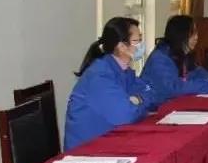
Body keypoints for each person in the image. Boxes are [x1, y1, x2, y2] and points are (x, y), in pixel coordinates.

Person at [64, 17, 152, 150]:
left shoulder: (123, 69)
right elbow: (126, 115)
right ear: (121, 46)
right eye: (137, 41)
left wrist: (138, 100)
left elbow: (151, 94)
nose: (141, 44)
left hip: (111, 141)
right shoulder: (100, 76)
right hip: (88, 152)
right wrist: (138, 102)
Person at [141, 15, 208, 110]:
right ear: (180, 35)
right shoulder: (160, 58)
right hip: (153, 110)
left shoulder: (179, 52)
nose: (196, 37)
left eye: (196, 33)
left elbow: (196, 71)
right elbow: (174, 88)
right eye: (192, 34)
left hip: (172, 105)